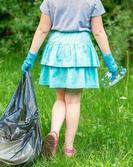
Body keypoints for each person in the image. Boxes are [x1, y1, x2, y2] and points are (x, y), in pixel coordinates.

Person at [21, 0, 125, 158]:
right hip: (80, 51)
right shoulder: (93, 1)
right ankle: (68, 148)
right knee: (73, 101)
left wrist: (31, 57)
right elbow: (98, 32)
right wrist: (110, 62)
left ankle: (54, 133)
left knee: (60, 99)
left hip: (57, 50)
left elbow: (42, 29)